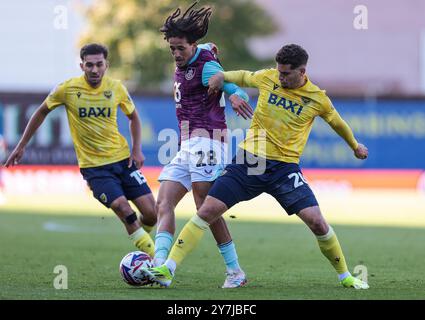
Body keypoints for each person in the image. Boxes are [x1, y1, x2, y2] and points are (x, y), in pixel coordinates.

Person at [143, 44, 370, 290]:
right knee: (207, 209)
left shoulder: (317, 98)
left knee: (316, 221)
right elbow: (240, 76)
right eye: (278, 71)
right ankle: (168, 268)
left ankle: (345, 275)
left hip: (284, 169)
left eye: (285, 73)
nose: (280, 77)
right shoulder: (267, 77)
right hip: (249, 160)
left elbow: (337, 123)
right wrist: (220, 77)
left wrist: (354, 145)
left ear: (302, 71)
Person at [3, 43, 157, 258]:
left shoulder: (116, 88)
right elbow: (41, 112)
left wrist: (137, 149)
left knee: (152, 214)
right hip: (95, 169)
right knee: (123, 208)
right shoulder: (67, 89)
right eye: (89, 65)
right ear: (82, 66)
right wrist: (21, 146)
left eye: (99, 64)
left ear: (107, 65)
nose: (95, 70)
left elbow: (134, 118)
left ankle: (141, 234)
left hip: (123, 160)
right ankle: (154, 258)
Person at [152, 2, 253, 288]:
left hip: (209, 139)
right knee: (164, 201)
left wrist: (234, 94)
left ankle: (235, 271)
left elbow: (224, 82)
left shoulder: (206, 66)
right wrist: (208, 45)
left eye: (179, 48)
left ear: (191, 44)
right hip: (187, 142)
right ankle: (159, 266)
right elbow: (206, 47)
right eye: (171, 48)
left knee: (205, 206)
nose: (175, 54)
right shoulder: (198, 51)